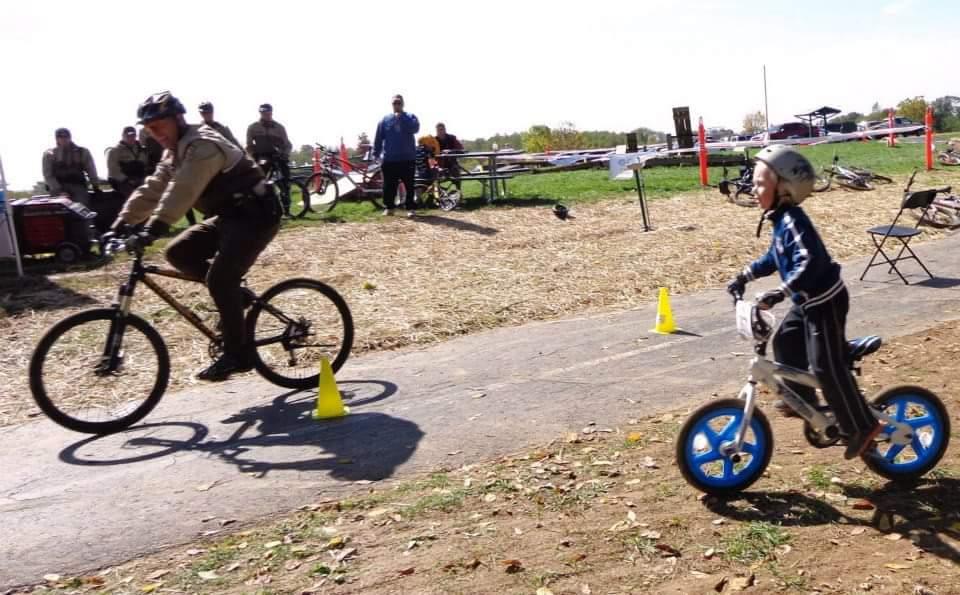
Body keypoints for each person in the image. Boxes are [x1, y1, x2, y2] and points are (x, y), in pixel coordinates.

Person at [112, 91, 282, 381]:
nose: (155, 134)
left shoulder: (202, 145)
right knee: (178, 253)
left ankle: (237, 354)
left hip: (257, 215)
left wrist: (154, 228)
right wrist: (120, 223)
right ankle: (236, 298)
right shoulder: (175, 151)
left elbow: (183, 190)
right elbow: (153, 188)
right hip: (231, 216)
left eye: (159, 126)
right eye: (149, 129)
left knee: (219, 279)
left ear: (178, 120)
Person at [726, 145, 881, 460]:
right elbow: (776, 257)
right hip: (806, 302)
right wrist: (745, 275)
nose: (753, 190)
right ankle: (804, 401)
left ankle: (863, 426)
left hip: (825, 302)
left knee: (826, 366)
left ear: (784, 187)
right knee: (784, 341)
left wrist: (780, 291)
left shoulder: (794, 219)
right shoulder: (780, 220)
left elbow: (809, 261)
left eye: (759, 184)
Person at [373, 94, 420, 217]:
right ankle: (390, 208)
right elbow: (378, 138)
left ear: (403, 104)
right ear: (391, 105)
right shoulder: (385, 120)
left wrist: (402, 118)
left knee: (409, 185)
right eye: (394, 103)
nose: (397, 105)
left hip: (407, 158)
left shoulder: (410, 117)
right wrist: (376, 154)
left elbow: (415, 129)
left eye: (399, 103)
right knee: (389, 185)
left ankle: (410, 208)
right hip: (390, 159)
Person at [246, 103, 293, 216]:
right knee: (258, 182)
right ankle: (260, 210)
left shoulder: (279, 128)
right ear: (260, 113)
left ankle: (287, 210)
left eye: (268, 112)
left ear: (271, 112)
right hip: (262, 157)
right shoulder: (253, 127)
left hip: (278, 157)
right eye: (263, 113)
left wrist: (284, 154)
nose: (266, 115)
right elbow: (248, 145)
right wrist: (253, 157)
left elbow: (288, 145)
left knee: (285, 183)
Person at [42, 128, 99, 206]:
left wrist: (95, 185)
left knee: (82, 209)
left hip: (78, 186)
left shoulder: (82, 152)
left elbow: (91, 169)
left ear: (70, 137)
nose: (63, 139)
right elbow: (48, 175)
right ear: (56, 139)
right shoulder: (49, 154)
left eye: (66, 137)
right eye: (60, 137)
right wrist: (59, 190)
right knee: (61, 209)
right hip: (58, 187)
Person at [106, 126, 150, 198]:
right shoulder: (114, 151)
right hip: (122, 181)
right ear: (123, 136)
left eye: (133, 135)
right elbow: (113, 170)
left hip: (140, 178)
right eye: (128, 135)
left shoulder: (142, 150)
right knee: (134, 196)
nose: (131, 137)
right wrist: (126, 180)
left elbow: (146, 164)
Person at [435, 122, 464, 189]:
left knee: (456, 174)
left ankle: (458, 194)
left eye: (441, 129)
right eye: (438, 130)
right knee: (434, 178)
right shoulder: (434, 140)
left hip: (452, 165)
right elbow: (430, 152)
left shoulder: (452, 138)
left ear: (445, 129)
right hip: (440, 166)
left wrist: (451, 151)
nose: (440, 132)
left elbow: (461, 149)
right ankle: (439, 197)